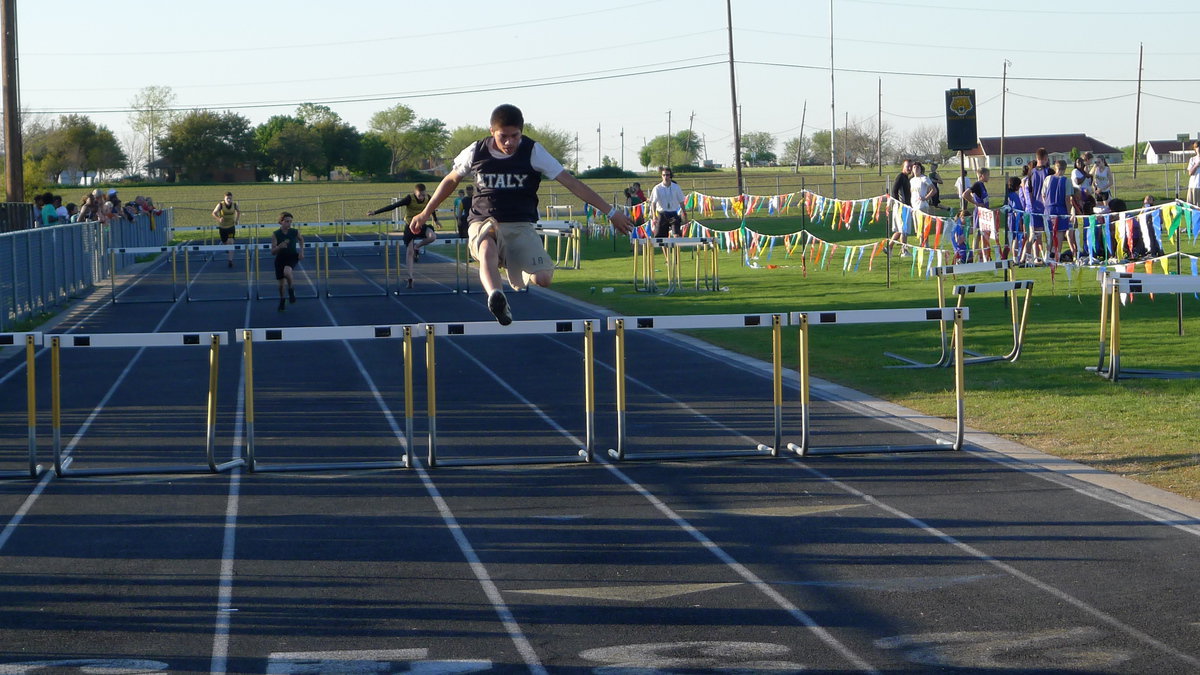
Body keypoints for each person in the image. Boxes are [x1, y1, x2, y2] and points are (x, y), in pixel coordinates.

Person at [407, 104, 634, 325]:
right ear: (492, 131)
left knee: (543, 279)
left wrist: (611, 212)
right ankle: (496, 297)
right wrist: (426, 212)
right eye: (503, 136)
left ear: (521, 132)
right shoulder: (476, 151)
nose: (509, 142)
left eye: (515, 136)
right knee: (486, 246)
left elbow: (572, 184)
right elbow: (450, 181)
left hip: (520, 224)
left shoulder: (533, 151)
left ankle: (510, 263)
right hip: (483, 219)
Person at [367, 184, 439, 289]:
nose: (421, 197)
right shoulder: (409, 198)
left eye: (423, 195)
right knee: (409, 253)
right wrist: (375, 212)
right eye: (419, 195)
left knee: (432, 237)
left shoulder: (428, 197)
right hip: (410, 226)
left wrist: (436, 220)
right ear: (415, 193)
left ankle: (417, 247)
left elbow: (432, 208)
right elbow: (393, 206)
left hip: (422, 225)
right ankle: (410, 277)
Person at [270, 212, 303, 311]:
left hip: (292, 256)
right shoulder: (276, 234)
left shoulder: (294, 232)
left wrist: (301, 251)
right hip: (280, 259)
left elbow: (301, 240)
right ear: (281, 222)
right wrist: (279, 247)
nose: (289, 224)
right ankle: (282, 300)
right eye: (287, 221)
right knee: (280, 285)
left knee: (287, 272)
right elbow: (273, 252)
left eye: (290, 222)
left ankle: (291, 289)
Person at [1041, 160, 1073, 261]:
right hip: (1061, 209)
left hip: (1049, 209)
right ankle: (1057, 256)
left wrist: (1046, 205)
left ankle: (1047, 256)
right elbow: (1067, 198)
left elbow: (1043, 195)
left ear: (1055, 167)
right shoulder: (1067, 181)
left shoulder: (1048, 179)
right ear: (1065, 168)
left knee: (1049, 234)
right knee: (1059, 234)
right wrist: (1068, 213)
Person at [960, 168, 991, 260]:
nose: (989, 177)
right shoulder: (977, 184)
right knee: (977, 235)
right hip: (979, 213)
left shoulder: (982, 185)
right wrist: (976, 203)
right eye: (987, 175)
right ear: (982, 175)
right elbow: (965, 194)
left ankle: (982, 257)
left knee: (983, 236)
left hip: (985, 213)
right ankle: (974, 257)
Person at [649, 166, 687, 237]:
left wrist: (684, 213)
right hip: (662, 214)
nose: (665, 177)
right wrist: (654, 216)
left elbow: (681, 202)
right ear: (661, 176)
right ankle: (666, 248)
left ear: (670, 176)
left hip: (673, 213)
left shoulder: (676, 187)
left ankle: (675, 247)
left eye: (667, 175)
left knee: (676, 235)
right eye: (664, 175)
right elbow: (653, 203)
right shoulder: (657, 188)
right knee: (660, 238)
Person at [888, 159, 912, 253]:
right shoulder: (900, 177)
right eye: (907, 166)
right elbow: (894, 190)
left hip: (906, 206)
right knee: (903, 229)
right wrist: (899, 203)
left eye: (910, 166)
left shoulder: (907, 178)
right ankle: (904, 250)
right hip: (901, 207)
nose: (909, 168)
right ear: (903, 167)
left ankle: (889, 247)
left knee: (899, 230)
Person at [211, 192, 240, 268]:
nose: (229, 200)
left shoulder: (234, 205)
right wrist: (219, 218)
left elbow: (238, 212)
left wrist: (236, 220)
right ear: (224, 199)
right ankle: (227, 248)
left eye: (230, 198)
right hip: (222, 227)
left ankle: (230, 261)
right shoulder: (220, 205)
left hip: (231, 227)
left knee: (231, 242)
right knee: (225, 242)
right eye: (227, 198)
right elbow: (213, 213)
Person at [908, 162, 933, 246]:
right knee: (917, 228)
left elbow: (934, 190)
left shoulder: (924, 178)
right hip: (914, 206)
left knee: (923, 226)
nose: (916, 169)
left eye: (917, 167)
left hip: (922, 206)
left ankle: (925, 243)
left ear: (920, 169)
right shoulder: (911, 180)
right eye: (914, 167)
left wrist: (925, 198)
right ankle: (921, 242)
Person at [1187, 141, 1200, 206]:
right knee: (1191, 207)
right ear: (1195, 149)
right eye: (1197, 147)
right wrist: (1196, 165)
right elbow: (1190, 173)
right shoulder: (1192, 159)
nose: (1199, 148)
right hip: (1193, 186)